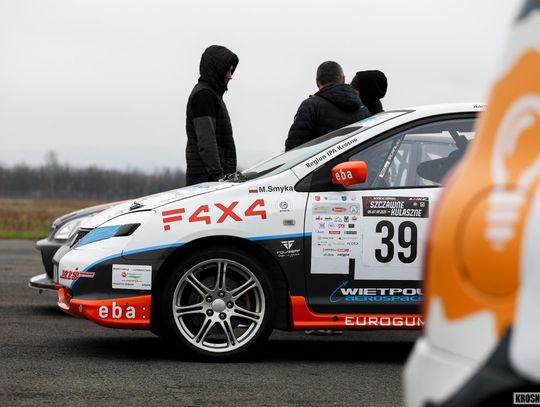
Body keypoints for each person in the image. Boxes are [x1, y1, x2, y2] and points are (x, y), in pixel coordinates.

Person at [284, 61, 370, 151]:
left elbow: (293, 149)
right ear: (343, 79)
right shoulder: (363, 109)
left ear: (317, 82)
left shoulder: (311, 106)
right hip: (357, 160)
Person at [185, 45, 239, 186]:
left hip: (211, 181)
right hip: (208, 183)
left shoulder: (212, 95)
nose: (230, 76)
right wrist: (219, 178)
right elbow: (207, 142)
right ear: (217, 69)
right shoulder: (204, 96)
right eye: (227, 70)